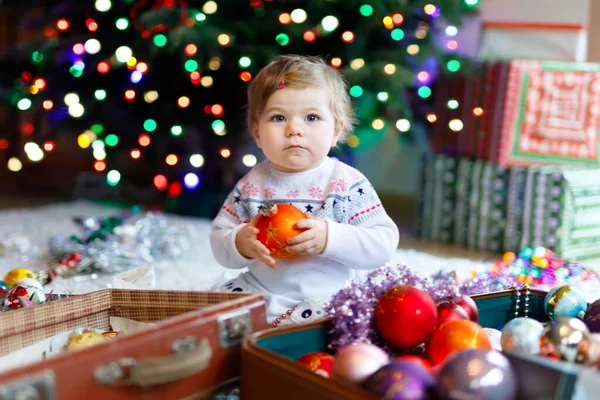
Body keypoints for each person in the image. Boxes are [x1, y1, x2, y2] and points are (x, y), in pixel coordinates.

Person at [210, 55, 399, 327]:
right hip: (261, 290)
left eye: (311, 117)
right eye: (278, 117)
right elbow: (219, 238)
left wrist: (330, 237)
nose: (294, 129)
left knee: (347, 325)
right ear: (257, 132)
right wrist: (240, 242)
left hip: (325, 297)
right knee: (212, 308)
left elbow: (383, 243)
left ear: (336, 130)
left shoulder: (345, 183)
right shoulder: (253, 183)